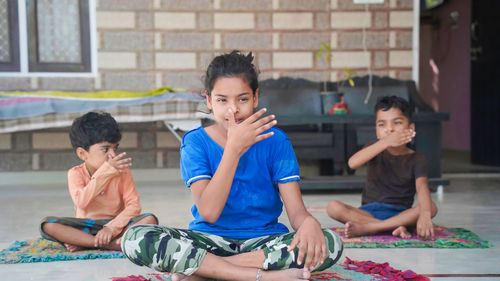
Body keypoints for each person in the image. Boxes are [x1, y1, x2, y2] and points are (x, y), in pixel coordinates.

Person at [121, 50, 343, 281]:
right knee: (135, 237)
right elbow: (209, 212)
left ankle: (206, 270)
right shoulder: (195, 142)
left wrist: (308, 223)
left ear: (256, 98)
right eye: (222, 100)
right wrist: (233, 149)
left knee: (329, 242)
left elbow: (296, 210)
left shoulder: (275, 140)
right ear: (208, 100)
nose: (233, 109)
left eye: (243, 99)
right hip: (208, 241)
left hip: (263, 243)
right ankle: (262, 277)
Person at [40, 112, 158, 252]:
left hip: (115, 226)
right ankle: (110, 244)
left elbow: (134, 206)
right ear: (82, 154)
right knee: (47, 225)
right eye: (105, 149)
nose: (112, 155)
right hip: (86, 227)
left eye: (115, 148)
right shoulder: (75, 173)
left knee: (150, 220)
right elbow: (82, 202)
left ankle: (87, 243)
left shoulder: (123, 171)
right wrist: (105, 172)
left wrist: (111, 228)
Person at [327, 96, 438, 240]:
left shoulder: (417, 158)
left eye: (397, 123)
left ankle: (370, 228)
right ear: (376, 129)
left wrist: (424, 214)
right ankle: (392, 228)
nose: (389, 129)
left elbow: (422, 187)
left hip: (400, 214)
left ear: (411, 128)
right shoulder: (374, 149)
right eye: (382, 125)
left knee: (431, 207)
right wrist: (385, 143)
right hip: (368, 213)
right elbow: (352, 163)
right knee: (333, 207)